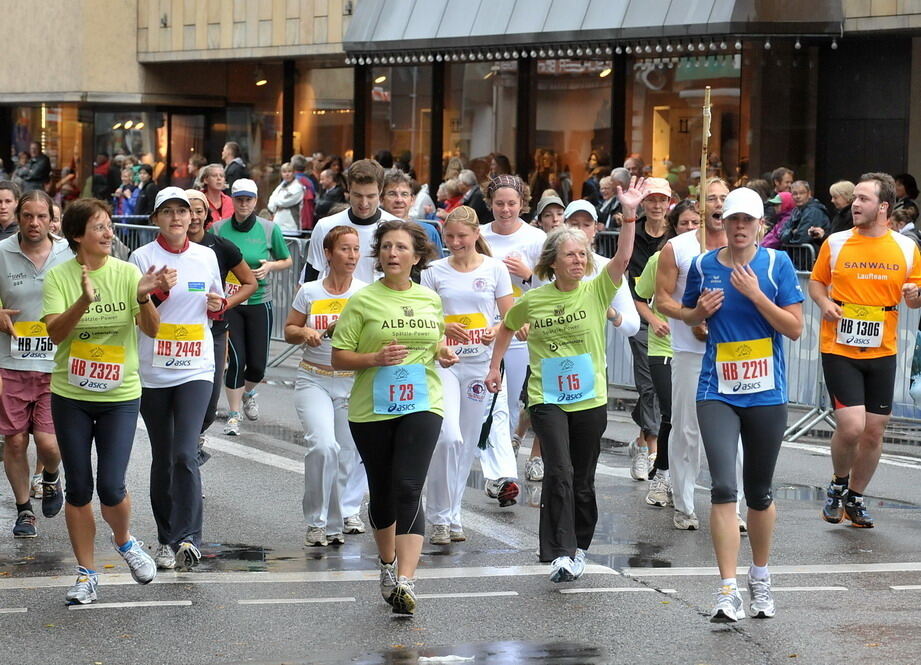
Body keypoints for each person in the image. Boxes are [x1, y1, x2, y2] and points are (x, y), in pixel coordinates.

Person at [485, 178, 639, 582]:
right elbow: (505, 328)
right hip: (547, 397)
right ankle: (559, 551)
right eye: (569, 254)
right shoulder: (534, 299)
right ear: (552, 261)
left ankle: (580, 547)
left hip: (590, 399)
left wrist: (629, 215)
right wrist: (494, 367)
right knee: (560, 471)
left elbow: (622, 259)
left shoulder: (596, 291)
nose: (577, 260)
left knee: (583, 480)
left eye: (582, 254)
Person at [679, 186, 804, 623]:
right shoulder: (702, 264)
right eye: (731, 219)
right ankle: (728, 588)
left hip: (766, 394)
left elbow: (794, 329)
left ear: (759, 226)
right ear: (722, 222)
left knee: (759, 492)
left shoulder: (777, 265)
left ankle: (761, 577)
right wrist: (698, 314)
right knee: (722, 488)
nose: (738, 227)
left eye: (747, 221)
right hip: (717, 390)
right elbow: (693, 318)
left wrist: (755, 295)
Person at [42, 197, 173, 605]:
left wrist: (142, 297)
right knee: (79, 488)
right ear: (78, 236)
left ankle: (125, 541)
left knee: (111, 486)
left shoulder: (127, 272)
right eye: (99, 227)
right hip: (71, 395)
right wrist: (83, 300)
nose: (108, 233)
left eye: (109, 225)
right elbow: (55, 335)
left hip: (119, 395)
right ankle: (85, 574)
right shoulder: (59, 278)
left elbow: (152, 330)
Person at [331, 220, 457, 615]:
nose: (392, 254)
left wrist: (442, 352)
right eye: (386, 247)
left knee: (408, 487)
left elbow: (432, 340)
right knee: (383, 492)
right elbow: (339, 357)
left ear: (416, 256)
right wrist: (374, 358)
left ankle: (407, 579)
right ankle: (386, 564)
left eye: (401, 247)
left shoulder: (429, 299)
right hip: (372, 408)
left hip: (423, 401)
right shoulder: (363, 300)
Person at [809, 172, 921, 528]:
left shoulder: (906, 247)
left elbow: (915, 296)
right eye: (854, 198)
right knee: (852, 425)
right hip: (839, 344)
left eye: (863, 199)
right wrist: (825, 304)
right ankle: (838, 483)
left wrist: (915, 297)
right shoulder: (837, 242)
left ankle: (855, 498)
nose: (855, 204)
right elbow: (816, 283)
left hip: (882, 348)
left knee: (874, 429)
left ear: (883, 206)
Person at [130, 187, 224, 570]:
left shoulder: (206, 256)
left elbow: (215, 304)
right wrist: (160, 292)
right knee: (163, 458)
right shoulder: (142, 258)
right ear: (156, 219)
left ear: (192, 218)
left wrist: (218, 305)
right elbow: (138, 314)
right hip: (153, 371)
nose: (176, 218)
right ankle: (166, 539)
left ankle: (189, 538)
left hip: (195, 368)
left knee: (185, 453)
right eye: (167, 212)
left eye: (182, 212)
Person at [656, 177, 746, 531]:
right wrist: (690, 316)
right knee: (687, 430)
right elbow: (662, 299)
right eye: (712, 198)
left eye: (724, 198)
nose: (719, 204)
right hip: (690, 352)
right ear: (700, 204)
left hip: (733, 353)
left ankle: (732, 506)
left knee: (734, 432)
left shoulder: (744, 246)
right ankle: (684, 504)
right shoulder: (677, 248)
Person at [422, 206, 515, 544]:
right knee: (448, 438)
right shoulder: (433, 271)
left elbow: (511, 318)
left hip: (479, 365)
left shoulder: (495, 269)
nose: (455, 242)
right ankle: (438, 515)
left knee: (466, 444)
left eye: (462, 236)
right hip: (444, 363)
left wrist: (494, 330)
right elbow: (424, 319)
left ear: (477, 235)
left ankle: (452, 514)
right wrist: (443, 327)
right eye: (449, 237)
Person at [285, 225, 367, 547]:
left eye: (356, 249)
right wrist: (306, 333)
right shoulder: (309, 291)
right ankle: (317, 521)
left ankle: (346, 514)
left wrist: (344, 331)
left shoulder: (364, 293)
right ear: (329, 254)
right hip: (313, 378)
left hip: (351, 382)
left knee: (347, 452)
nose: (352, 256)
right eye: (345, 249)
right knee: (323, 446)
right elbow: (289, 329)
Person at [0, 190, 71, 538]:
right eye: (27, 215)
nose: (34, 223)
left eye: (41, 216)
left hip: (55, 364)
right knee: (14, 442)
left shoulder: (68, 253)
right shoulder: (2, 252)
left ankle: (52, 475)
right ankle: (24, 509)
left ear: (51, 218)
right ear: (19, 217)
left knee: (48, 443)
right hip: (10, 361)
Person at [480, 174, 547, 505]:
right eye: (499, 203)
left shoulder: (536, 239)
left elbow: (551, 287)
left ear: (523, 204)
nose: (505, 210)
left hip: (522, 334)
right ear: (489, 203)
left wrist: (528, 275)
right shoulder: (479, 236)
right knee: (490, 405)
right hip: (482, 333)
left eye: (512, 203)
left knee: (513, 405)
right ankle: (500, 476)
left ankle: (502, 472)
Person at [211, 178, 292, 436]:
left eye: (249, 199)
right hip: (230, 301)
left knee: (257, 364)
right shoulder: (218, 228)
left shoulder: (269, 229)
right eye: (239, 199)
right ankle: (234, 415)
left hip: (259, 300)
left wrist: (269, 266)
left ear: (256, 201)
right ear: (232, 200)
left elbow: (286, 259)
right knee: (237, 359)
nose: (244, 204)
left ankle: (248, 393)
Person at [634, 199, 700, 507]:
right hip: (665, 346)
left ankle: (688, 478)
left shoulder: (716, 259)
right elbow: (638, 297)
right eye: (685, 223)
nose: (691, 228)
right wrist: (655, 319)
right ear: (675, 227)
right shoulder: (662, 257)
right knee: (673, 413)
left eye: (695, 222)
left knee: (698, 419)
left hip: (703, 348)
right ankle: (661, 476)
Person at [184, 190, 256, 459]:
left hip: (214, 332)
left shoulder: (221, 246)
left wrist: (226, 302)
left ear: (207, 215)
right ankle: (187, 455)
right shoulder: (165, 249)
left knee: (209, 405)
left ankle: (194, 440)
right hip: (179, 335)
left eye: (199, 211)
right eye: (187, 210)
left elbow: (250, 283)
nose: (193, 217)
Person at [625, 178, 676, 481]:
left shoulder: (676, 235)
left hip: (673, 317)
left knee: (664, 391)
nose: (657, 206)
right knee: (648, 385)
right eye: (651, 200)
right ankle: (651, 450)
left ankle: (642, 438)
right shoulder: (634, 232)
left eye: (662, 200)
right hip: (640, 313)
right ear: (643, 202)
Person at [304, 160, 400, 285]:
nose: (364, 203)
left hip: (381, 302)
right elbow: (310, 278)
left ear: (380, 191)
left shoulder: (397, 228)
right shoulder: (325, 226)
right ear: (349, 189)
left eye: (371, 196)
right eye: (357, 195)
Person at [380, 169, 444, 257]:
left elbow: (437, 267)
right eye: (392, 194)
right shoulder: (374, 231)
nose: (399, 200)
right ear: (381, 199)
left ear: (412, 200)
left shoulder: (428, 232)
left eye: (404, 194)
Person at [779, 180, 830, 246]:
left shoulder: (814, 211)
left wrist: (791, 235)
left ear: (809, 194)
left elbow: (802, 238)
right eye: (795, 193)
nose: (798, 196)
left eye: (802, 193)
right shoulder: (795, 211)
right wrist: (792, 232)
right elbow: (781, 235)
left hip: (812, 253)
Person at [267, 162, 305, 234]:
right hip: (277, 225)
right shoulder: (281, 185)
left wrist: (276, 202)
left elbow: (284, 202)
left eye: (289, 171)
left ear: (293, 173)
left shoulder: (298, 187)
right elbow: (271, 200)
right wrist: (274, 205)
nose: (287, 174)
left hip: (291, 228)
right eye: (284, 172)